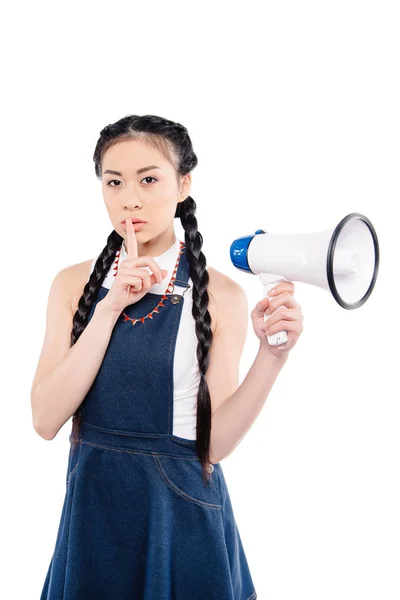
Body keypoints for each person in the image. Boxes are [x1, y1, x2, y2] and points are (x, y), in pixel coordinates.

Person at [32, 114, 303, 599]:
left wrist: (272, 356)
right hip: (93, 513)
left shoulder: (219, 294)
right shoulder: (73, 286)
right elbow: (46, 418)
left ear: (183, 185)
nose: (130, 198)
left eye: (149, 179)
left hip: (181, 515)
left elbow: (214, 446)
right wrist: (111, 305)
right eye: (113, 182)